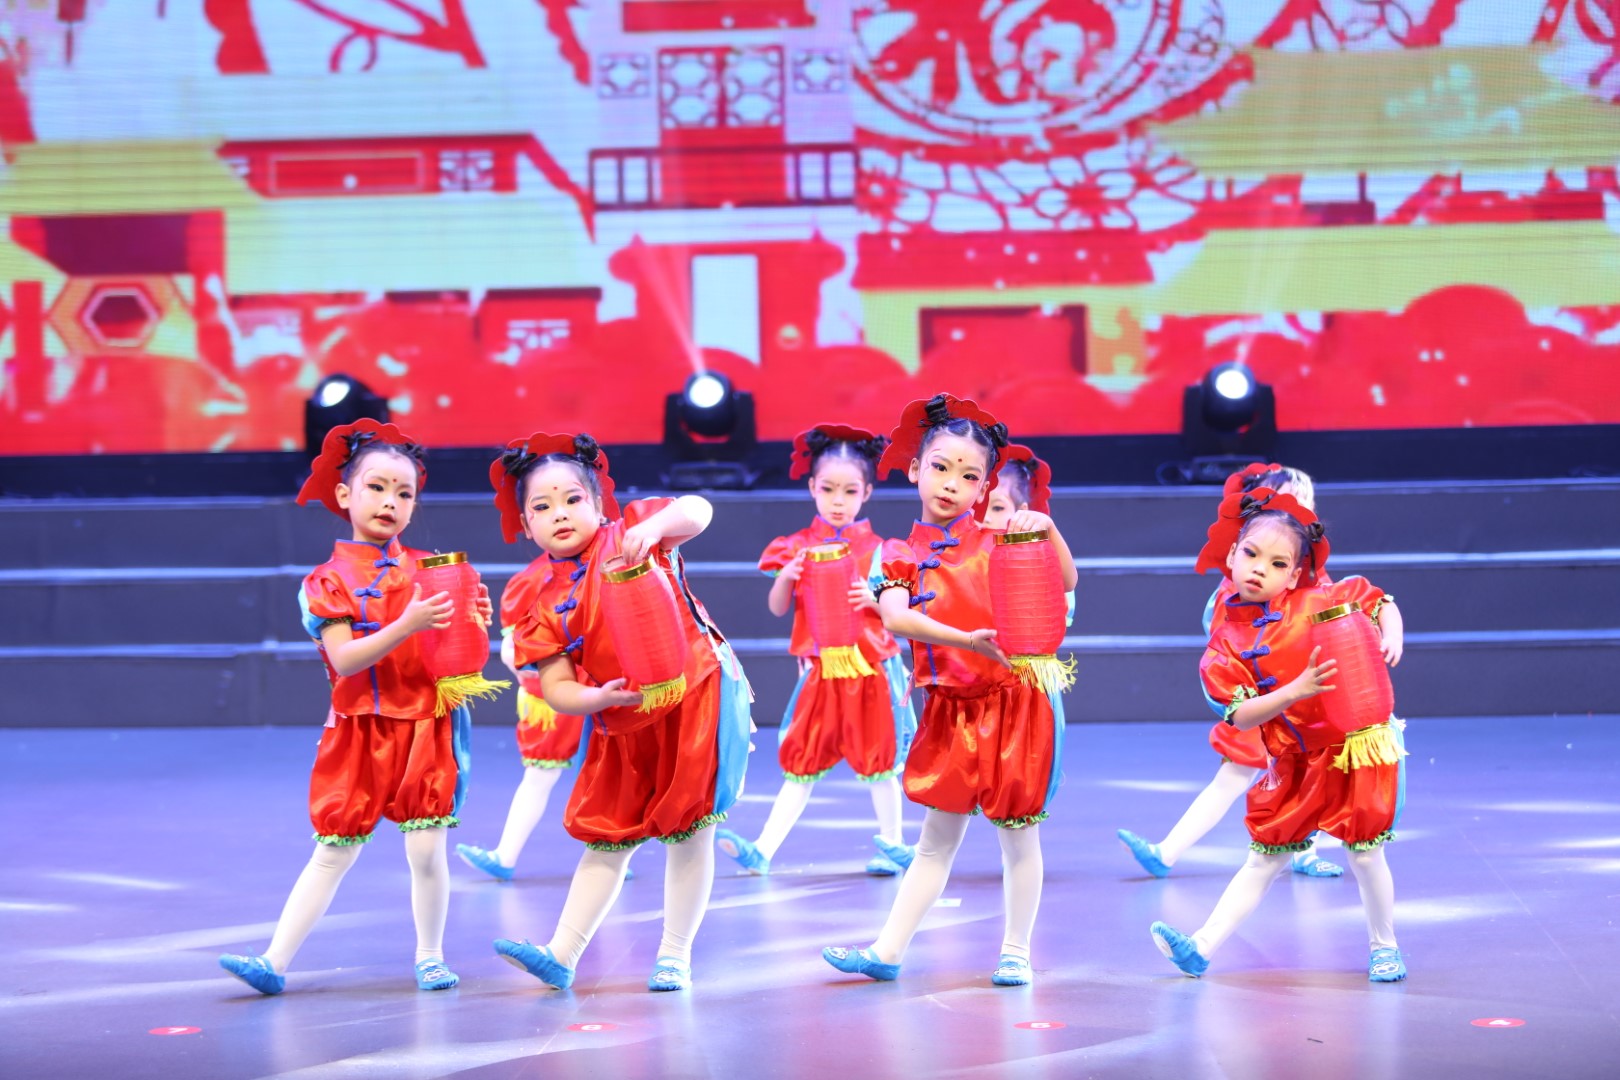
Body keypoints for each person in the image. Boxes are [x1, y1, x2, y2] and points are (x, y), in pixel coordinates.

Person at [219, 419, 490, 995]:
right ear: (345, 494)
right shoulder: (327, 581)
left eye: (404, 493)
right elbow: (344, 660)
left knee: (426, 851)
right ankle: (274, 961)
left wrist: (472, 622)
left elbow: (457, 659)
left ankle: (431, 957)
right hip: (360, 730)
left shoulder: (432, 569)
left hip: (424, 726)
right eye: (377, 487)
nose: (390, 502)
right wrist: (408, 622)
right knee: (333, 851)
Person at [821, 394, 1077, 988]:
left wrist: (1048, 528)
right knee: (935, 843)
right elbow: (896, 618)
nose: (951, 484)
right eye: (939, 467)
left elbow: (1065, 580)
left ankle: (1016, 952)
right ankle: (887, 950)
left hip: (1012, 704)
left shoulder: (1000, 540)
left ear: (984, 487)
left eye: (968, 476)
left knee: (1018, 835)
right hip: (949, 709)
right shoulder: (897, 554)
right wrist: (968, 639)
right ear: (915, 469)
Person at [489, 432, 751, 992]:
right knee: (606, 837)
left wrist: (658, 527)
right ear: (526, 525)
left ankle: (674, 956)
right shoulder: (540, 606)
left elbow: (698, 510)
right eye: (542, 507)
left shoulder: (632, 533)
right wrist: (597, 700)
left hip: (692, 698)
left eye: (572, 499)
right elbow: (556, 686)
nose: (560, 514)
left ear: (599, 502)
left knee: (688, 832)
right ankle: (562, 954)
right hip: (621, 720)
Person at [1150, 487, 1408, 982]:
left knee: (1364, 853)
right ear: (1232, 555)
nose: (1258, 569)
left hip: (1352, 751)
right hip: (1293, 761)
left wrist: (1391, 633)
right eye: (1251, 554)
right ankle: (1201, 946)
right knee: (1263, 859)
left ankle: (1385, 947)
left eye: (1276, 563)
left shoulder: (1317, 601)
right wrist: (1295, 690)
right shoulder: (1224, 644)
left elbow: (1378, 600)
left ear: (1293, 575)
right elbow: (1241, 717)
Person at [1118, 463, 1351, 879]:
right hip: (1263, 704)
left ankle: (1301, 851)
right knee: (1234, 777)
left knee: (1310, 776)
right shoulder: (1241, 586)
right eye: (1288, 500)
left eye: (1304, 503)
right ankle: (1167, 852)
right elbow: (1222, 638)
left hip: (1302, 705)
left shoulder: (1310, 580)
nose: (1297, 511)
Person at [716, 424, 917, 877]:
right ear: (812, 488)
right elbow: (777, 607)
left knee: (881, 764)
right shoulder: (796, 548)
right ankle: (763, 849)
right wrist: (787, 578)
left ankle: (894, 845)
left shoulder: (882, 552)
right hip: (820, 672)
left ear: (866, 493)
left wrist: (874, 601)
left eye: (849, 490)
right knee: (801, 762)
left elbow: (899, 614)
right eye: (828, 489)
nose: (837, 501)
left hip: (870, 669)